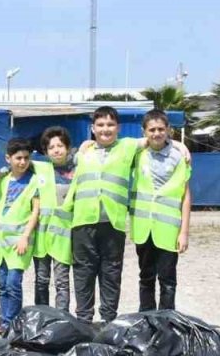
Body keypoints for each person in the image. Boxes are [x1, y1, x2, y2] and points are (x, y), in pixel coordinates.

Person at [65, 106, 139, 324]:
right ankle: (84, 320)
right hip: (83, 222)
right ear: (92, 128)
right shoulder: (83, 152)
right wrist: (2, 171)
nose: (105, 129)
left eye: (110, 124)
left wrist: (179, 145)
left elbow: (156, 140)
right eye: (100, 125)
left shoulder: (127, 147)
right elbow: (53, 163)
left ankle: (108, 321)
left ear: (118, 128)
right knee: (83, 272)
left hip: (112, 223)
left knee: (111, 273)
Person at [130, 109, 192, 311]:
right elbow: (115, 147)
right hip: (143, 229)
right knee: (146, 277)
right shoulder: (137, 155)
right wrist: (88, 143)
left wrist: (184, 232)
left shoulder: (179, 157)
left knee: (167, 280)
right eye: (151, 130)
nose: (156, 133)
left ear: (168, 130)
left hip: (168, 231)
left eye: (160, 129)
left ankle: (167, 322)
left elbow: (185, 196)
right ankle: (146, 319)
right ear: (144, 132)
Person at [0, 138, 44, 334]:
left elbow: (35, 212)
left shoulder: (34, 181)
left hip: (19, 243)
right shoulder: (2, 181)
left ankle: (13, 323)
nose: (22, 162)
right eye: (18, 158)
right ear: (8, 158)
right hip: (0, 242)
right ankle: (5, 323)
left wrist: (25, 237)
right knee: (2, 285)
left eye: (26, 158)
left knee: (13, 283)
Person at [35, 126, 75, 311]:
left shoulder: (77, 171)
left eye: (60, 145)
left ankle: (62, 319)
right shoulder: (40, 169)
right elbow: (17, 164)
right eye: (51, 147)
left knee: (62, 282)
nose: (56, 150)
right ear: (45, 151)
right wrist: (0, 171)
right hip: (42, 237)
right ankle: (41, 316)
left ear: (67, 147)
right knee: (41, 279)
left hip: (63, 238)